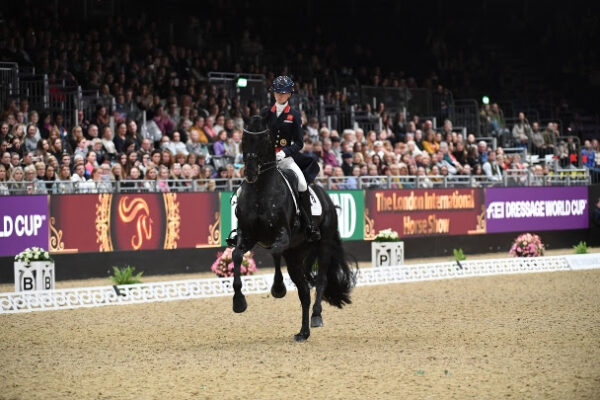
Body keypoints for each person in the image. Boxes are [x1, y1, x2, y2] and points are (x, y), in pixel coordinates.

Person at [261, 75, 320, 241]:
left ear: (289, 95)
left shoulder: (294, 115)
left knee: (302, 184)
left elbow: (299, 143)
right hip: (266, 160)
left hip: (285, 160)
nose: (279, 95)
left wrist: (284, 152)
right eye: (277, 92)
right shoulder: (266, 113)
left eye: (283, 93)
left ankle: (309, 225)